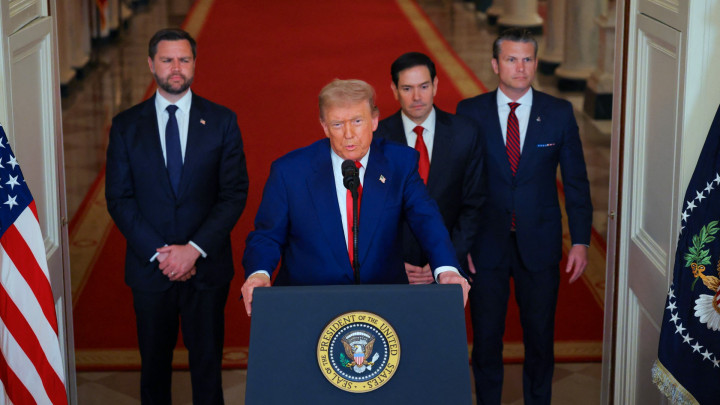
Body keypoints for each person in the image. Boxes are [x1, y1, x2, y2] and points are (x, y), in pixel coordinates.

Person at [105, 28, 249, 404]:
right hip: (151, 269)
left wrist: (193, 250)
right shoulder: (126, 126)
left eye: (184, 60)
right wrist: (164, 255)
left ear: (194, 64)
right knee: (154, 369)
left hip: (207, 268)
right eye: (167, 60)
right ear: (151, 64)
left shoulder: (222, 121)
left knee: (207, 368)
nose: (176, 68)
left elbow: (233, 193)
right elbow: (119, 198)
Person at [241, 79, 469, 315]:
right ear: (324, 126)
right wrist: (259, 274)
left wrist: (447, 269)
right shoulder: (290, 171)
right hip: (308, 306)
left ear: (374, 120)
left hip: (383, 305)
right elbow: (267, 235)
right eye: (337, 124)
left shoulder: (400, 163)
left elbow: (427, 220)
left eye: (357, 121)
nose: (349, 134)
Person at [456, 28, 593, 405]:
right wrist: (460, 245)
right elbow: (459, 185)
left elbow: (577, 182)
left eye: (528, 59)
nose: (520, 67)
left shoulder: (559, 113)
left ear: (535, 63)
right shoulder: (470, 112)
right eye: (512, 59)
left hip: (541, 243)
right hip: (485, 246)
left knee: (540, 338)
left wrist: (581, 240)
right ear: (495, 64)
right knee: (486, 340)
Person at [374, 52, 485, 284]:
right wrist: (392, 263)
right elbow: (369, 211)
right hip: (394, 270)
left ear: (435, 85)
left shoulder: (465, 133)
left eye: (424, 86)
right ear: (394, 90)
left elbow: (473, 204)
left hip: (449, 270)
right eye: (407, 88)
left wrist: (446, 261)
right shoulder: (377, 139)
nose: (417, 97)